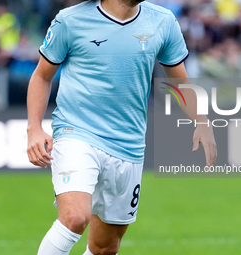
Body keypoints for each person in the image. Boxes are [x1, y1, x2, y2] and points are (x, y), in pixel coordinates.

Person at [26, 0, 217, 254]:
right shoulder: (69, 20)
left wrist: (201, 121)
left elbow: (180, 81)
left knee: (105, 247)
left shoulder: (163, 21)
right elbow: (42, 75)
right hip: (77, 133)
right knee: (74, 217)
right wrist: (34, 128)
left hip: (129, 145)